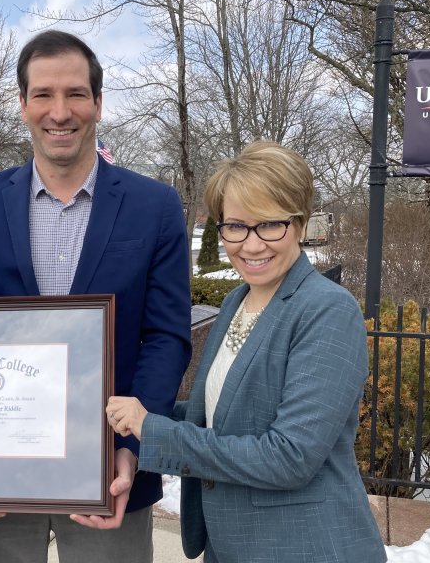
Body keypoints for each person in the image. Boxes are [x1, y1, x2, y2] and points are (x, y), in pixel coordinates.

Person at [0, 29, 192, 563]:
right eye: (43, 94)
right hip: (1, 470)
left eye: (75, 94)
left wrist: (132, 445)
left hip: (110, 472)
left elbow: (166, 336)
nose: (59, 112)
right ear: (23, 104)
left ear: (98, 103)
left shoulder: (154, 206)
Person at [106, 141, 387, 562]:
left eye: (270, 225)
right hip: (231, 545)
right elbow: (223, 416)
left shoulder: (327, 309)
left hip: (303, 546)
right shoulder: (236, 302)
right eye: (236, 226)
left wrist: (153, 429)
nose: (251, 245)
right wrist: (134, 414)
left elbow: (290, 456)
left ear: (300, 223)